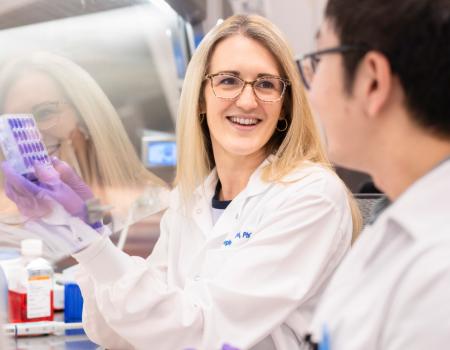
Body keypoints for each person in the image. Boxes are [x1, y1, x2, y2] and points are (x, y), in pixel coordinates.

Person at [2, 15, 361, 349]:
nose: (248, 100)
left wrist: (92, 244)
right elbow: (120, 335)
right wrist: (77, 233)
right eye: (228, 81)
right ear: (201, 99)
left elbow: (203, 332)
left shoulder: (311, 195)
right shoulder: (189, 202)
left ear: (284, 104)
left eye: (266, 84)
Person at [296, 0, 450, 348]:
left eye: (318, 61)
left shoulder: (439, 278)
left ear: (372, 81)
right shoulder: (395, 220)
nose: (313, 91)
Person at [0, 52, 168, 259]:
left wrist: (89, 219)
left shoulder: (154, 203)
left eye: (44, 113)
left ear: (87, 115)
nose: (31, 134)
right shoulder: (11, 230)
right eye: (15, 124)